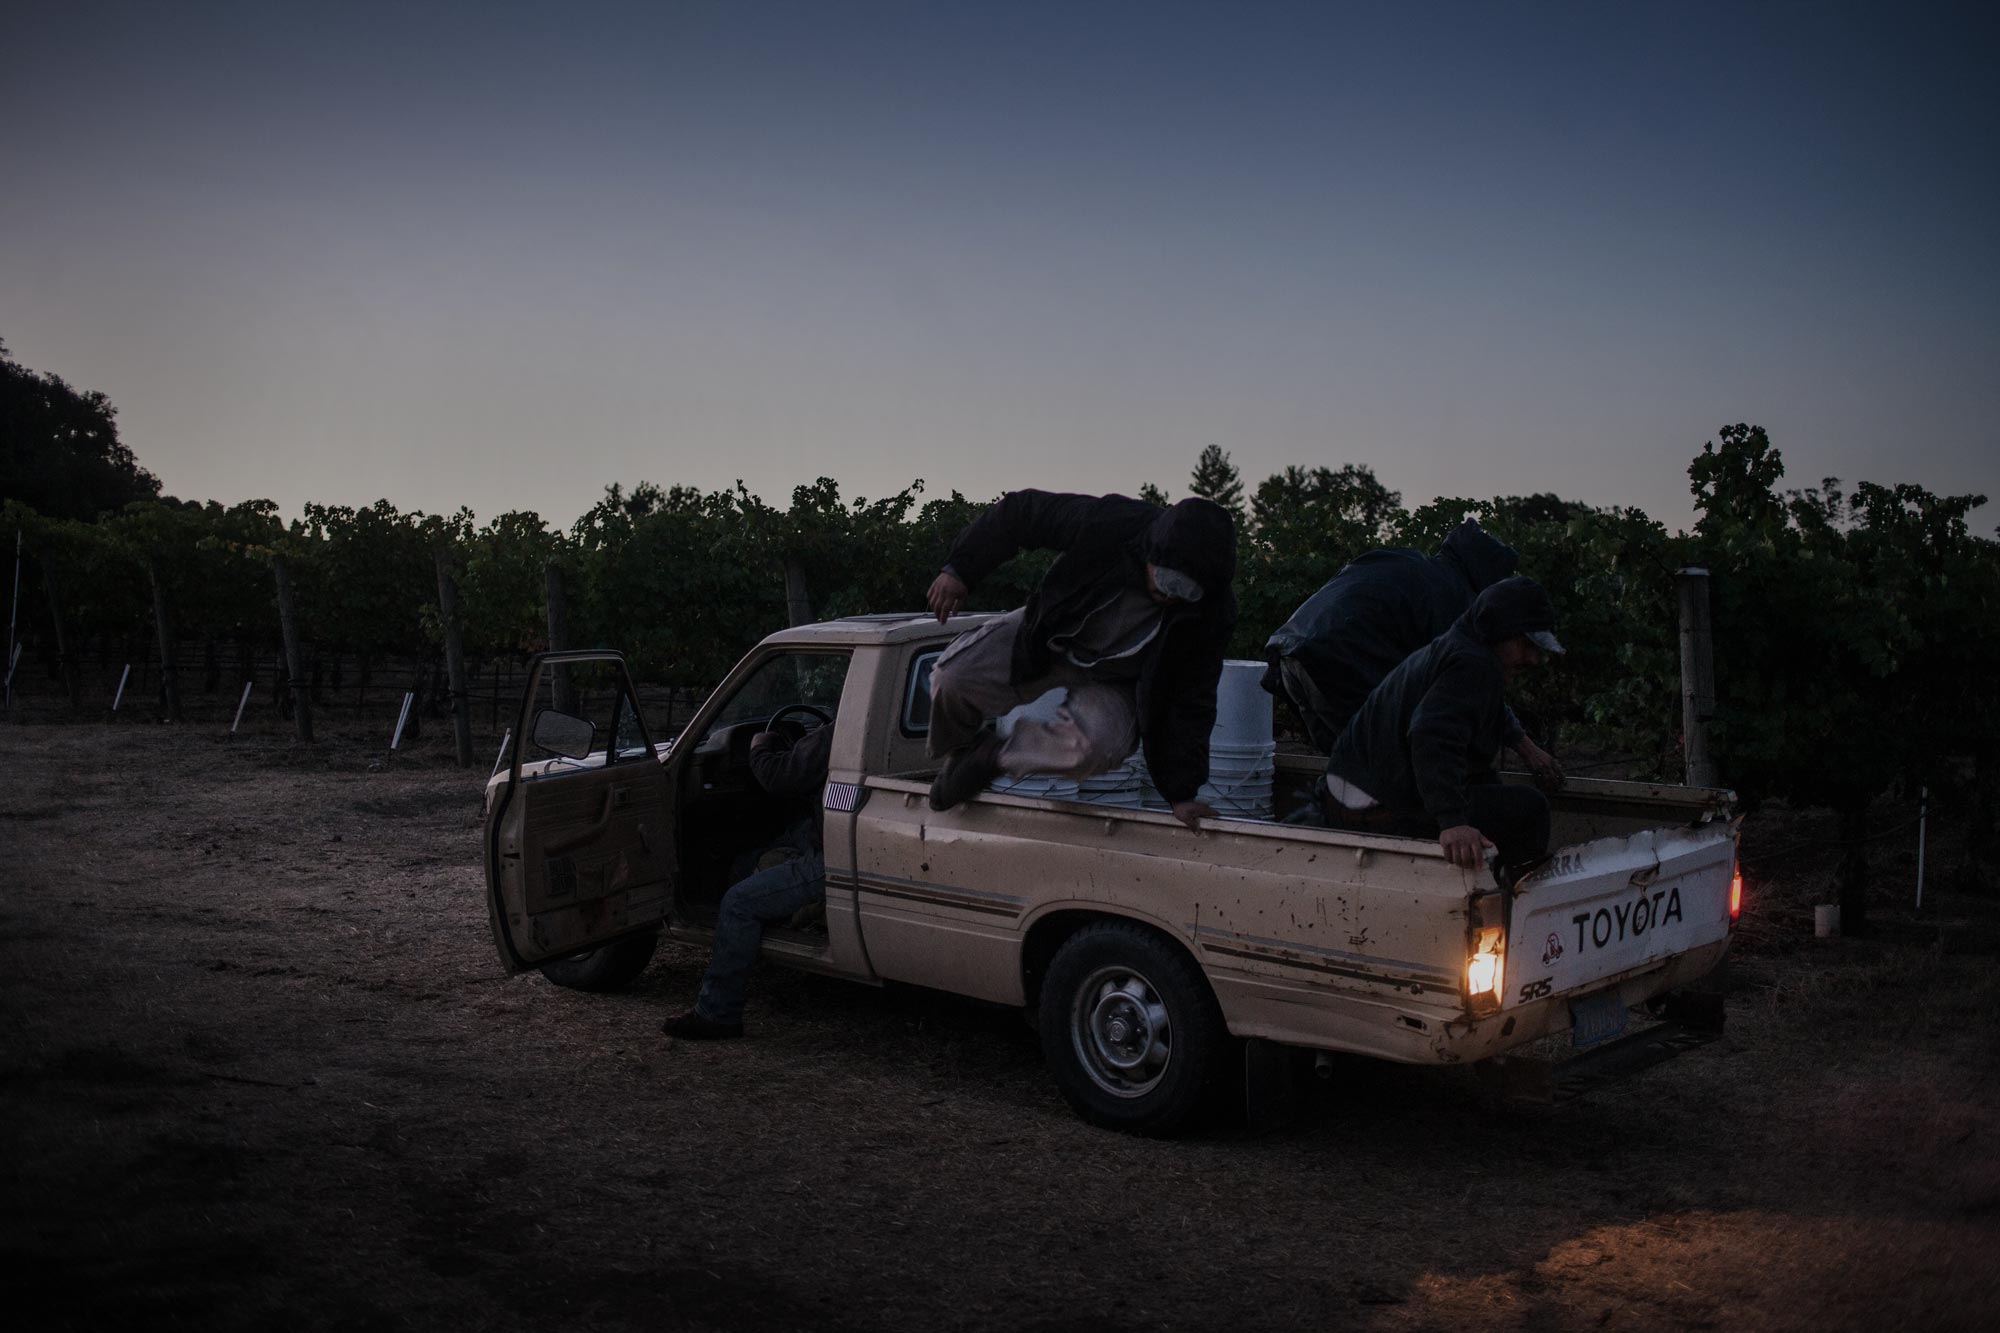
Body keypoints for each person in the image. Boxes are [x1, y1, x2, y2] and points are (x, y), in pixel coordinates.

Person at [923, 490, 1236, 833]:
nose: (1169, 596)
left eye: (1185, 592)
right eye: (1166, 580)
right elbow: (1021, 513)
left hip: (1120, 681)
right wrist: (961, 569)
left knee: (1096, 749)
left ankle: (991, 758)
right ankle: (961, 753)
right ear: (1150, 549)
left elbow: (1191, 699)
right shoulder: (1114, 522)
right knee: (952, 678)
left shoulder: (1211, 613)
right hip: (1051, 637)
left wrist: (1181, 793)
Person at [1263, 519, 1562, 786]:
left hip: (1290, 654)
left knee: (1350, 764)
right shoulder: (1455, 597)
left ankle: (1334, 829)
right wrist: (1526, 747)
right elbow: (1470, 682)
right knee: (1394, 766)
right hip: (1337, 664)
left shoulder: (1406, 561)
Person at [1321, 576, 1565, 871]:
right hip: (1372, 804)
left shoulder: (1464, 647)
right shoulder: (1473, 663)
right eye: (1525, 644)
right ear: (1498, 630)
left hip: (1354, 788)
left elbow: (1488, 706)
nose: (1533, 659)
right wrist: (1452, 822)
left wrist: (1528, 749)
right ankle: (1512, 904)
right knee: (1530, 809)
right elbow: (1431, 734)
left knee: (1488, 784)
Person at [662, 721, 833, 1040]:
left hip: (832, 856)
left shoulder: (841, 730)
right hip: (826, 835)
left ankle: (717, 1013)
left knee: (738, 903)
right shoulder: (866, 722)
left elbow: (778, 776)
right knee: (750, 859)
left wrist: (758, 745)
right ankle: (749, 942)